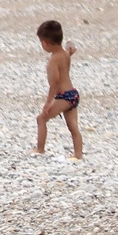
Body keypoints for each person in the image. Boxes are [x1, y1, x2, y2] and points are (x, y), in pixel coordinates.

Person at [35, 19, 82, 159]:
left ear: (45, 43)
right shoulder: (65, 54)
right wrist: (70, 51)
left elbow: (54, 83)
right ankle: (78, 154)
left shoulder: (53, 60)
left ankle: (40, 149)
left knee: (41, 119)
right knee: (73, 127)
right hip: (73, 94)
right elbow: (68, 54)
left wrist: (49, 102)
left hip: (63, 96)